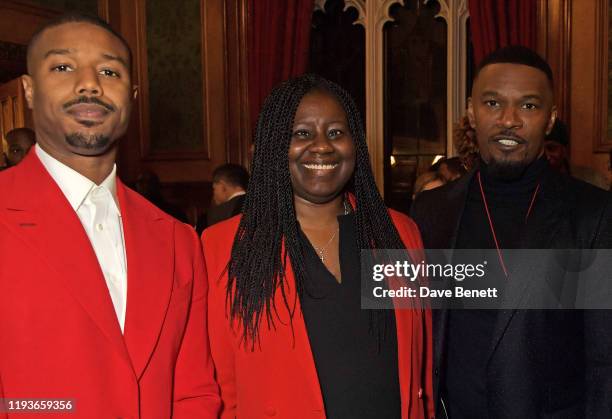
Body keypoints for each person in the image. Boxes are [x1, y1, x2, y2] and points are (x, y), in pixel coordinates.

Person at [0, 13, 219, 418]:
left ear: (132, 94)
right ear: (28, 90)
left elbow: (194, 392)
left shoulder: (178, 239)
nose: (89, 83)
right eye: (63, 67)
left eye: (108, 70)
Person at [202, 74, 434, 418]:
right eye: (302, 134)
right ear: (273, 146)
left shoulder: (399, 233)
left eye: (337, 133)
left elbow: (421, 368)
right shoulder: (224, 247)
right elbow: (219, 386)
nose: (322, 146)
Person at [411, 46, 612, 418]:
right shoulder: (430, 212)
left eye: (529, 106)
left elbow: (605, 361)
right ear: (471, 112)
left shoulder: (594, 215)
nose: (509, 120)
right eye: (492, 103)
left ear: (550, 119)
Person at [206, 163, 249, 227]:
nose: (214, 194)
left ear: (222, 187)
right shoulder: (263, 204)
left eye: (214, 189)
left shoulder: (218, 213)